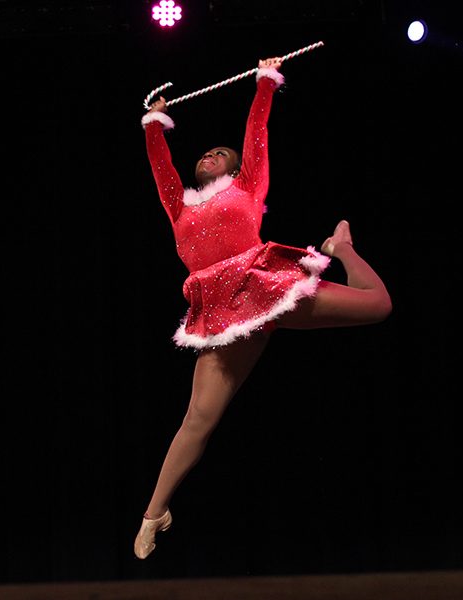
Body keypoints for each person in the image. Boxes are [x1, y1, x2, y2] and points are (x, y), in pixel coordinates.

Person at [134, 57, 393, 559]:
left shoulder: (249, 187)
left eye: (220, 152)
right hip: (222, 314)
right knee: (198, 419)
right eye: (206, 152)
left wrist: (264, 83)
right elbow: (160, 167)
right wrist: (154, 123)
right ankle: (153, 513)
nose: (211, 153)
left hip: (263, 287)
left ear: (234, 168)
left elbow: (256, 134)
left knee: (379, 305)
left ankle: (343, 251)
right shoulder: (179, 208)